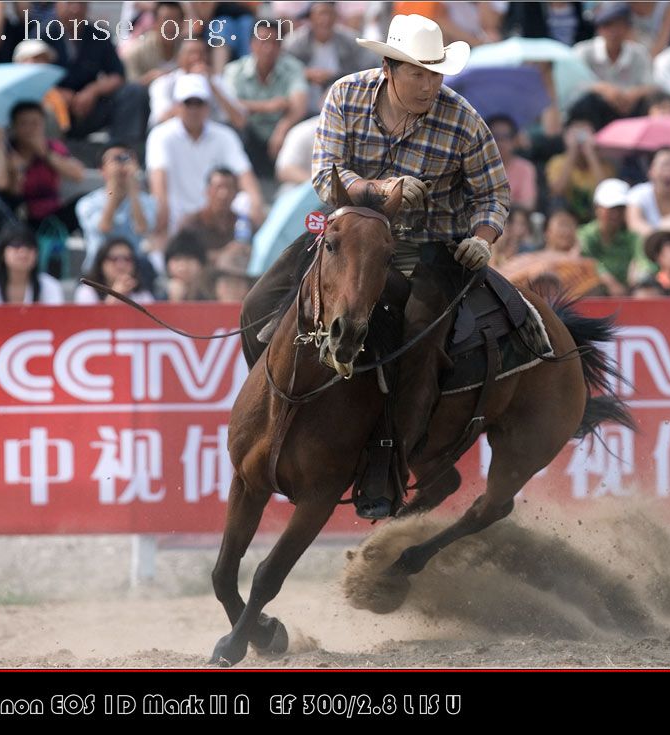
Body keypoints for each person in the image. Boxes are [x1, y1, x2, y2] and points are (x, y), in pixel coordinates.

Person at [240, 13, 509, 519]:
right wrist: (381, 190)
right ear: (389, 68)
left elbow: (493, 194)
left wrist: (481, 236)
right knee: (258, 305)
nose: (430, 84)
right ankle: (269, 413)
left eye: (436, 74)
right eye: (419, 73)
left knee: (417, 335)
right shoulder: (345, 94)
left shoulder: (462, 120)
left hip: (429, 244)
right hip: (347, 232)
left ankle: (388, 463)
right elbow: (325, 176)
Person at [146, 74, 264, 237]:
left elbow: (244, 174)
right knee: (160, 205)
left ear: (207, 106)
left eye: (199, 103)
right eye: (188, 103)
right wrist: (162, 213)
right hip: (178, 212)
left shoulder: (225, 135)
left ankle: (242, 248)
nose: (194, 110)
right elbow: (158, 181)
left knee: (246, 201)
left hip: (216, 211)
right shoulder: (160, 135)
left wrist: (256, 202)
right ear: (177, 106)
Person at [47, 1, 149, 146]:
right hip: (55, 108)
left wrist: (93, 91)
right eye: (70, 3)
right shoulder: (42, 34)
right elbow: (30, 77)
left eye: (81, 4)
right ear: (57, 5)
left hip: (90, 107)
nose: (76, 9)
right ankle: (49, 154)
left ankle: (122, 152)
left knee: (133, 92)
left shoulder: (98, 34)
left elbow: (117, 75)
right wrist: (57, 94)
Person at [224, 21, 309, 165]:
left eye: (274, 42)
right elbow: (229, 106)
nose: (268, 48)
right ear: (252, 44)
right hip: (249, 132)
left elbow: (299, 105)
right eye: (263, 42)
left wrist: (282, 129)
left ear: (281, 46)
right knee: (231, 127)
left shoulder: (294, 67)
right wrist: (267, 106)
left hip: (281, 131)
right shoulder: (234, 70)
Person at [3, 101, 86, 231]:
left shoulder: (52, 147)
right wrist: (18, 171)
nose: (30, 129)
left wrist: (45, 154)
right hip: (20, 214)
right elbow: (13, 193)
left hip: (52, 215)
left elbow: (78, 175)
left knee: (83, 201)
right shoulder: (7, 151)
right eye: (24, 123)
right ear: (14, 126)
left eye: (35, 123)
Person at [282, 1, 378, 115]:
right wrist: (305, 74)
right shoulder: (294, 43)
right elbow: (283, 70)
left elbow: (370, 69)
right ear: (310, 17)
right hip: (303, 106)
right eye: (320, 14)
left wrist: (336, 77)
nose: (325, 20)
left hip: (343, 104)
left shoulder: (351, 41)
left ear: (336, 17)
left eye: (329, 14)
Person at [75, 143, 157, 271]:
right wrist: (113, 190)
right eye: (115, 159)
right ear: (102, 170)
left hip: (134, 269)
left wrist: (133, 189)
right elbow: (104, 227)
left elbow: (142, 228)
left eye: (125, 158)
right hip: (98, 271)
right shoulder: (87, 203)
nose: (121, 165)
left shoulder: (147, 201)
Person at [574, 2, 654, 117]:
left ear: (628, 28)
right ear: (599, 28)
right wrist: (603, 89)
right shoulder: (582, 51)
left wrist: (634, 94)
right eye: (607, 25)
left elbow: (651, 86)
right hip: (595, 114)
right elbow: (574, 85)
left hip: (629, 109)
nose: (614, 31)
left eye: (619, 25)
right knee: (588, 102)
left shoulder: (639, 53)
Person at [149, 39, 247, 130]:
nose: (196, 58)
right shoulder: (164, 83)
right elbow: (161, 120)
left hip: (210, 137)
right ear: (179, 57)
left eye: (201, 53)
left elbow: (240, 121)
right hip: (175, 136)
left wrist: (212, 86)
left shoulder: (217, 82)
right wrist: (191, 87)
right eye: (191, 53)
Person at [577, 178, 651, 295]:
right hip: (594, 295)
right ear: (597, 208)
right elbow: (585, 262)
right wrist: (609, 281)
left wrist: (638, 271)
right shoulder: (585, 234)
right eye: (611, 209)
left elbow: (644, 262)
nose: (616, 214)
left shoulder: (633, 237)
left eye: (620, 209)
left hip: (629, 296)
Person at [0, 229, 64, 305]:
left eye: (29, 247)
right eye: (16, 246)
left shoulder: (50, 285)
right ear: (2, 253)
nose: (23, 252)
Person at [122, 1, 186, 87]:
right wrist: (149, 79)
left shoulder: (190, 49)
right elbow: (129, 87)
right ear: (155, 23)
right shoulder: (136, 52)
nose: (171, 25)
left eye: (176, 20)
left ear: (183, 23)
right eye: (166, 20)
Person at [75, 238, 156, 305]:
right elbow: (90, 322)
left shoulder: (142, 294)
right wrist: (115, 296)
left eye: (127, 259)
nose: (121, 265)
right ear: (101, 263)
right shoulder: (87, 292)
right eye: (114, 259)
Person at [488, 115, 538, 211]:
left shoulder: (525, 168)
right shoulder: (476, 167)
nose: (500, 142)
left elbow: (528, 205)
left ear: (514, 141)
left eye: (505, 137)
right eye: (495, 136)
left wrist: (494, 202)